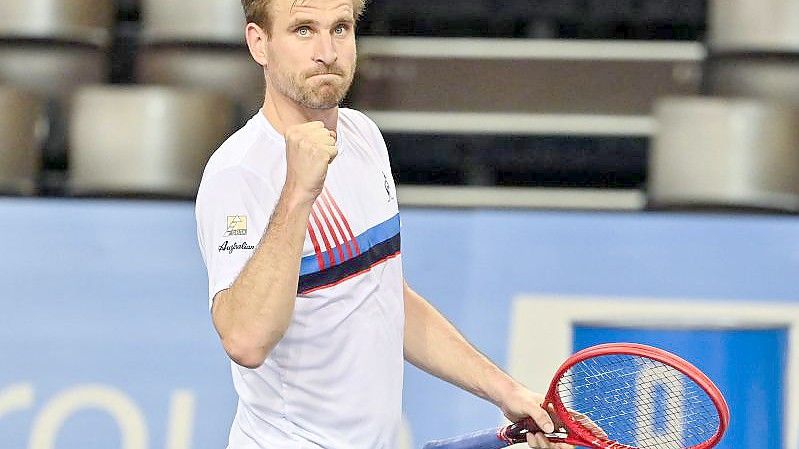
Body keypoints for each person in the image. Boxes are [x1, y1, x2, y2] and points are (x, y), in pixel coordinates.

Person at [195, 0, 571, 448]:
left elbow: (386, 295)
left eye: (340, 29)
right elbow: (245, 341)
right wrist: (298, 192)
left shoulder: (363, 137)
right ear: (259, 43)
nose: (326, 51)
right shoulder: (238, 174)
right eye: (302, 30)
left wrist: (504, 391)